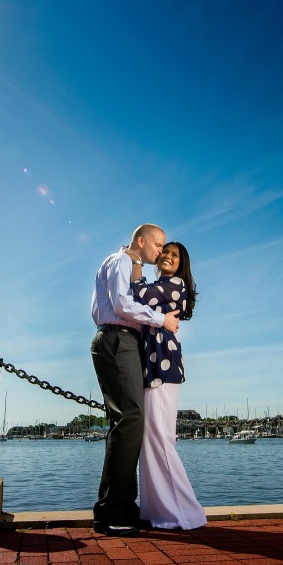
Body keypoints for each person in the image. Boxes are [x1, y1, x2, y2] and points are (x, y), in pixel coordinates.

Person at [91, 224, 180, 536]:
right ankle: (112, 512)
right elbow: (121, 304)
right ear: (141, 242)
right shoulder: (122, 262)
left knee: (128, 422)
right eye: (157, 245)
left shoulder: (131, 265)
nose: (160, 251)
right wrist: (161, 320)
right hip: (118, 340)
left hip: (125, 342)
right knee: (129, 420)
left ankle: (121, 508)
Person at [129, 242, 207, 530]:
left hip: (163, 365)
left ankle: (184, 514)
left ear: (181, 264)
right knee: (151, 439)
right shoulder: (161, 284)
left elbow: (137, 294)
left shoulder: (175, 285)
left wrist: (133, 259)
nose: (168, 256)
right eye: (166, 252)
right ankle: (156, 511)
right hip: (153, 366)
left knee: (160, 439)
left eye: (175, 255)